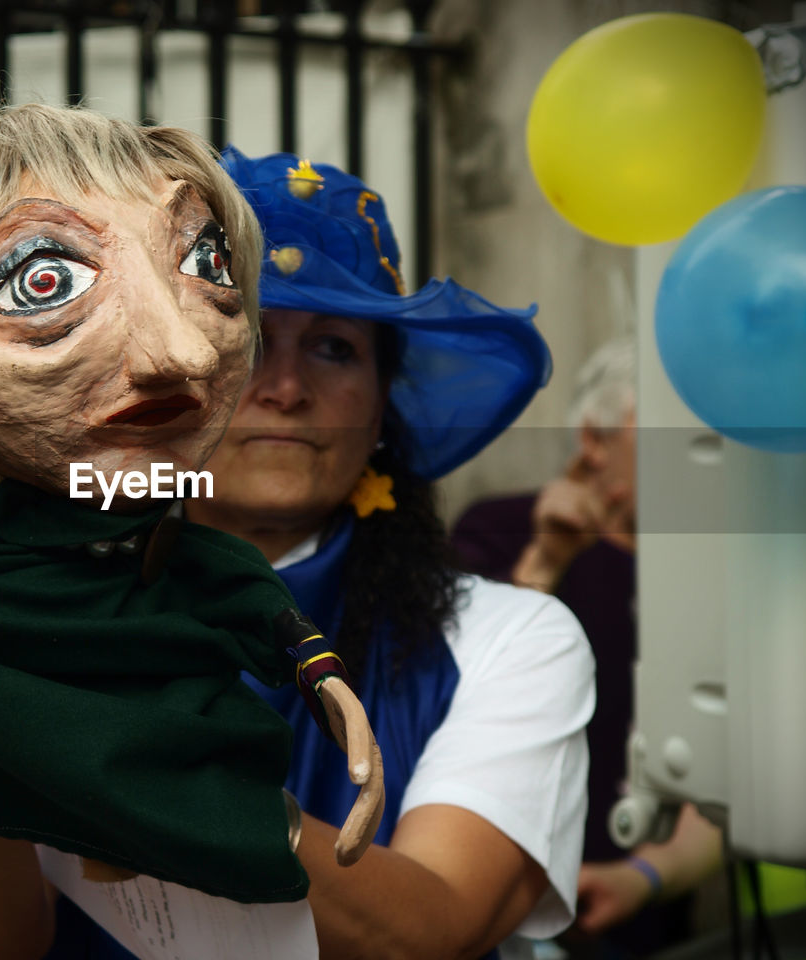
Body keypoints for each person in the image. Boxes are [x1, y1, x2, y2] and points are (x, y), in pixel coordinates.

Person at [0, 104, 387, 960]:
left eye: (205, 265)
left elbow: (436, 927)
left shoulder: (488, 636)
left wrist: (323, 703)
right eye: (45, 280)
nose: (179, 353)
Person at [178, 149, 594, 960]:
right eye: (249, 338)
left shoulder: (511, 640)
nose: (287, 388)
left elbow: (430, 928)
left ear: (381, 412)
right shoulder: (50, 604)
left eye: (333, 347)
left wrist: (161, 780)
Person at [450, 336, 723, 958]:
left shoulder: (712, 573)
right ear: (596, 441)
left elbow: (726, 773)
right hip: (498, 921)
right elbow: (445, 709)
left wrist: (646, 877)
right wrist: (545, 561)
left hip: (649, 927)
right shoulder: (499, 529)